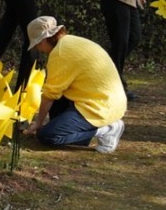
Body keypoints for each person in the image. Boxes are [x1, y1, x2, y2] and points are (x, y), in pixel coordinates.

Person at [23, 16, 126, 153]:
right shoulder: (71, 42)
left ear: (43, 40)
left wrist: (38, 123)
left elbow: (50, 95)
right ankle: (81, 130)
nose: (38, 48)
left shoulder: (60, 53)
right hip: (112, 101)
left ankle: (106, 130)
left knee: (48, 136)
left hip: (98, 107)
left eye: (37, 44)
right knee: (56, 118)